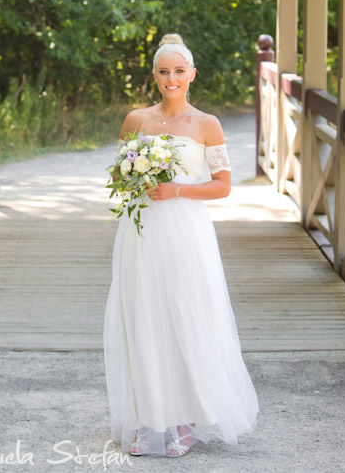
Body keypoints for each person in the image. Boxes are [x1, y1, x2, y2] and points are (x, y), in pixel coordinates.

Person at [103, 34, 258, 457]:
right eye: (163, 71)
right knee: (144, 317)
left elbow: (223, 186)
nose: (171, 79)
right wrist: (137, 174)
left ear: (192, 74)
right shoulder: (136, 119)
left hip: (187, 232)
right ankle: (146, 417)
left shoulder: (207, 124)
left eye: (178, 71)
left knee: (186, 316)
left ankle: (186, 419)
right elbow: (117, 177)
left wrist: (177, 191)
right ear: (154, 75)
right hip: (142, 233)